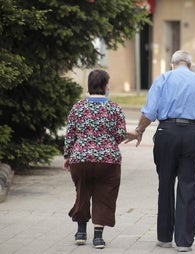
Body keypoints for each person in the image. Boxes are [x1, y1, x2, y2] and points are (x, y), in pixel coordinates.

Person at [124, 50, 195, 252]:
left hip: (166, 133)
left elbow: (150, 111)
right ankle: (184, 242)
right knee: (187, 185)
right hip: (193, 135)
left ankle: (165, 237)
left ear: (172, 64)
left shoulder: (163, 79)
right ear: (190, 65)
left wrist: (139, 130)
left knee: (165, 184)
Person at [63, 69, 126, 249]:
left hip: (80, 158)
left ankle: (81, 232)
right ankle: (98, 237)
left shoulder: (78, 107)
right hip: (108, 160)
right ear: (106, 85)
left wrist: (68, 156)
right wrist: (107, 143)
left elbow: (70, 135)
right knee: (105, 194)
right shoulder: (114, 108)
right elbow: (120, 134)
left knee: (82, 192)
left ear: (89, 85)